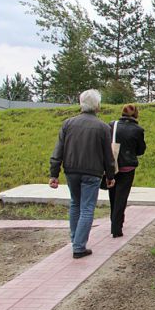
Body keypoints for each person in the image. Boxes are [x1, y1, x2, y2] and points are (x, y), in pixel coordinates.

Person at [49, 89, 116, 259]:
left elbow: (58, 150)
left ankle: (75, 239)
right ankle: (79, 246)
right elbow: (108, 156)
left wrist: (54, 173)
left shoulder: (68, 124)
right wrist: (110, 176)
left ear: (81, 104)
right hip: (93, 172)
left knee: (75, 204)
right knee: (87, 208)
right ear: (97, 106)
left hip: (71, 170)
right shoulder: (102, 127)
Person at [108, 104, 146, 238]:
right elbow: (141, 150)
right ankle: (117, 227)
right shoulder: (138, 130)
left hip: (112, 165)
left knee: (113, 194)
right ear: (135, 114)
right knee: (121, 196)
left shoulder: (112, 125)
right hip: (127, 167)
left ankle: (114, 220)